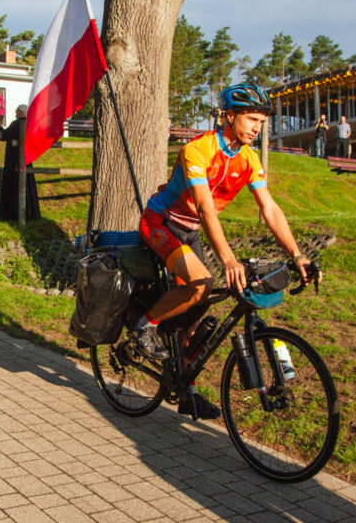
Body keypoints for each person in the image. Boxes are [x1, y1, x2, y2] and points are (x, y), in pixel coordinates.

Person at [134, 83, 319, 418]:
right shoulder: (199, 150)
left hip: (189, 232)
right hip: (161, 223)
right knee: (202, 284)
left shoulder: (247, 159)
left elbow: (270, 209)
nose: (256, 128)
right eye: (251, 119)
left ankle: (185, 389)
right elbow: (205, 208)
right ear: (229, 116)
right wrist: (229, 259)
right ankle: (144, 325)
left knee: (199, 308)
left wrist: (297, 255)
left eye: (261, 122)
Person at [0, 104, 40, 222]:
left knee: (13, 186)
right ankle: (31, 214)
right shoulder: (30, 124)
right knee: (28, 185)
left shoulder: (17, 124)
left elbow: (3, 135)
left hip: (14, 160)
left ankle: (11, 215)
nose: (15, 114)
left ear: (21, 113)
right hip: (26, 158)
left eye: (16, 111)